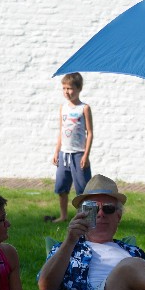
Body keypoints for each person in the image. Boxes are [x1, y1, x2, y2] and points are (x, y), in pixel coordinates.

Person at [46, 72, 94, 223]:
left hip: (78, 154)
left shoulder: (84, 108)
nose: (66, 92)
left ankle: (88, 219)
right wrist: (56, 151)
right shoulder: (63, 108)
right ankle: (63, 216)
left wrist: (85, 155)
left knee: (83, 190)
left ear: (79, 89)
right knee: (61, 187)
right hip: (63, 154)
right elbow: (61, 131)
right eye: (64, 88)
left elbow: (90, 133)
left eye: (70, 88)